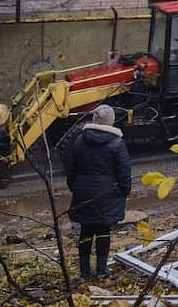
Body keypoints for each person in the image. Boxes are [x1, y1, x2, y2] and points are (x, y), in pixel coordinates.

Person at [64, 104, 130, 282]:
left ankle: (84, 273)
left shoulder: (79, 140)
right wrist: (124, 191)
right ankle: (101, 271)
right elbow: (124, 172)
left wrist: (75, 187)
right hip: (107, 194)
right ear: (111, 121)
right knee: (103, 231)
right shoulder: (117, 143)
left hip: (83, 192)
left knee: (85, 232)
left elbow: (70, 168)